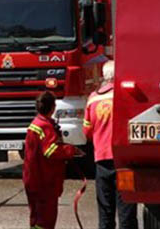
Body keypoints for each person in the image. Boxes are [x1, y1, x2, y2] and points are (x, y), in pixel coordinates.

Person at [83, 60, 137, 229]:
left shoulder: (93, 99)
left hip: (102, 161)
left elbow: (87, 131)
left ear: (103, 77)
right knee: (126, 210)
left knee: (105, 211)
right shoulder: (126, 97)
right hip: (125, 162)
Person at [23, 91, 80, 229]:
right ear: (52, 108)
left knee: (36, 218)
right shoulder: (44, 126)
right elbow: (51, 151)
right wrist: (72, 150)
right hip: (44, 182)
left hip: (34, 180)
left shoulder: (37, 124)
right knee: (46, 220)